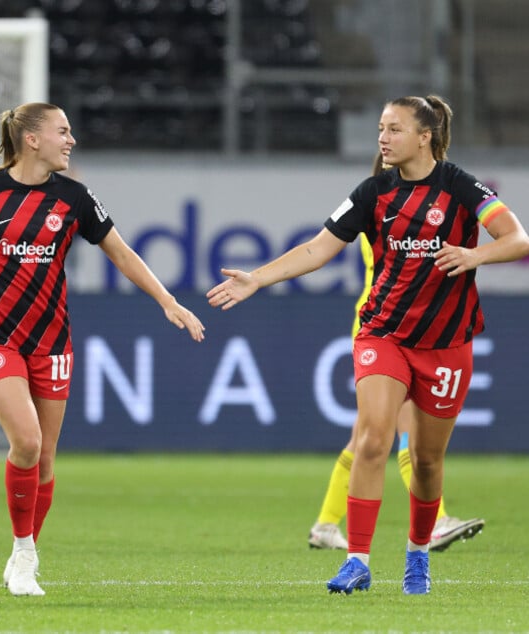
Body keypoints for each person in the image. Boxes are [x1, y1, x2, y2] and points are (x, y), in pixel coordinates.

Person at [208, 95, 529, 595]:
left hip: (446, 344)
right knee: (374, 438)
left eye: (395, 129)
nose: (383, 137)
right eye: (381, 127)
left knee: (426, 461)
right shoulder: (371, 192)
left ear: (425, 136)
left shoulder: (461, 186)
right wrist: (258, 278)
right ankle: (357, 560)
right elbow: (317, 248)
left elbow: (518, 239)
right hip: (384, 334)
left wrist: (474, 254)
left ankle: (417, 556)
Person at [0, 102, 206, 596]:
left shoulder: (74, 197)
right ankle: (24, 550)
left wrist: (167, 301)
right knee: (27, 442)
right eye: (63, 131)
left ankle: (22, 556)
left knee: (46, 458)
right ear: (32, 139)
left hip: (50, 339)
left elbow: (120, 249)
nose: (71, 140)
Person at [309, 235, 485, 553]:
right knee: (408, 432)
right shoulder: (387, 210)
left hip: (385, 323)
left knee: (364, 436)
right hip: (389, 330)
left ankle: (325, 524)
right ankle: (438, 522)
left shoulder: (384, 206)